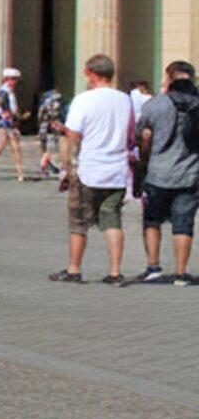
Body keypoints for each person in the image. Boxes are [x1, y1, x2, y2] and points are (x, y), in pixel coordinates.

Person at [52, 53, 135, 284]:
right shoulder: (124, 100)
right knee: (112, 220)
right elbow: (130, 136)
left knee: (79, 221)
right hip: (116, 169)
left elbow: (73, 135)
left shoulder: (83, 100)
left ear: (91, 74)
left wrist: (66, 168)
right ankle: (115, 272)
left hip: (89, 168)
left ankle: (74, 268)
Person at [132, 60, 199, 285]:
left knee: (152, 220)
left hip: (158, 172)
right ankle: (181, 273)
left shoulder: (155, 105)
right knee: (184, 224)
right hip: (191, 174)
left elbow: (141, 134)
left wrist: (143, 157)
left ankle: (153, 267)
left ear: (169, 78)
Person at [35, 84, 67, 181]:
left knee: (46, 151)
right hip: (50, 132)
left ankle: (46, 169)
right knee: (50, 152)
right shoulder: (53, 106)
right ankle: (47, 169)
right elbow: (53, 119)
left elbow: (40, 118)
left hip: (43, 130)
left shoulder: (43, 106)